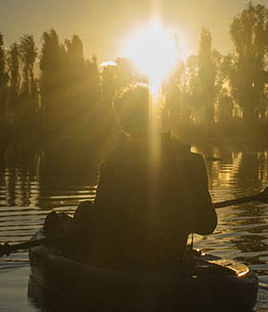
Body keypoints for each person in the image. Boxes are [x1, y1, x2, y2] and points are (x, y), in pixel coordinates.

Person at [72, 86, 218, 267]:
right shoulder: (193, 161)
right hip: (172, 262)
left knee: (84, 211)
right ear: (155, 116)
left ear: (123, 122)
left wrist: (76, 228)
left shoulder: (113, 167)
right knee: (86, 210)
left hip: (127, 266)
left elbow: (97, 230)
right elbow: (206, 225)